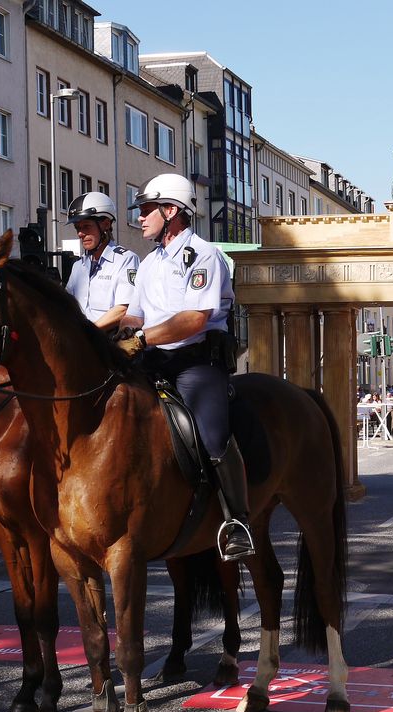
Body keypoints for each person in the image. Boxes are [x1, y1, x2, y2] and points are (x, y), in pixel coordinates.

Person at [118, 173, 253, 561]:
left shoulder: (203, 255)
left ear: (171, 210)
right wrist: (117, 337)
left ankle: (237, 522)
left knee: (212, 438)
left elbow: (195, 318)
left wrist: (141, 339)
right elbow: (135, 316)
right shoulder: (148, 263)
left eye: (146, 210)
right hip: (152, 359)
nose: (140, 217)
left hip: (195, 361)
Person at [64, 191, 140, 331]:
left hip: (109, 343)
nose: (80, 233)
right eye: (78, 228)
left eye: (86, 226)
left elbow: (124, 309)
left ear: (105, 224)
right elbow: (67, 306)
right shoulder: (78, 266)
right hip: (82, 342)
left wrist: (90, 333)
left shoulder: (126, 260)